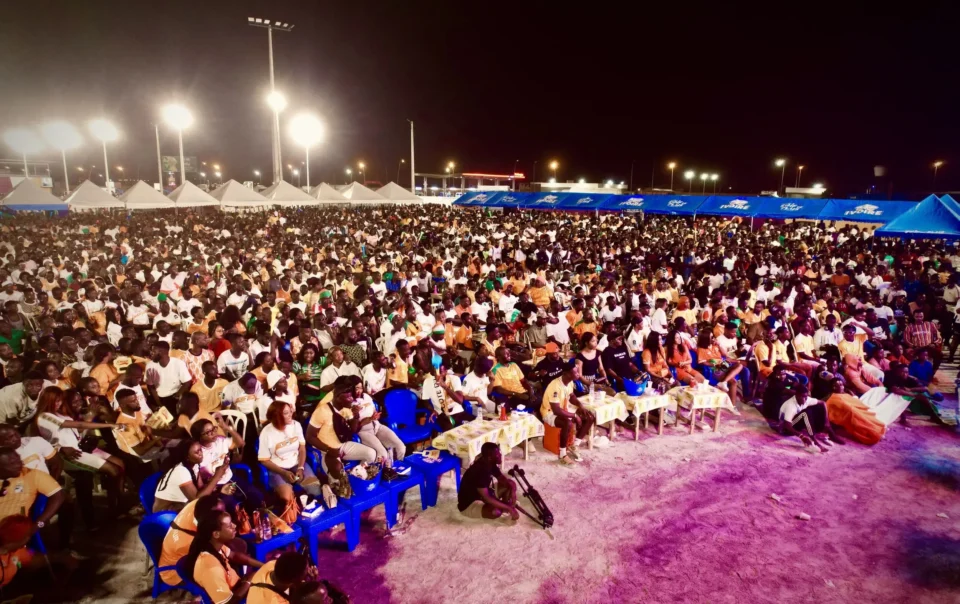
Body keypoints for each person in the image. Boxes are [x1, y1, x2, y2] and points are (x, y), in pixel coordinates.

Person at [34, 387, 125, 514]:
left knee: (120, 463)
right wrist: (109, 425)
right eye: (55, 401)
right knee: (112, 470)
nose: (58, 403)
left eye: (60, 400)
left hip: (81, 447)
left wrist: (91, 416)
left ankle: (117, 502)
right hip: (70, 454)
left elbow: (78, 430)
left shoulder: (60, 414)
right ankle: (117, 506)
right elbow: (79, 425)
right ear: (47, 400)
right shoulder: (44, 416)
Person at [0, 447, 67, 588]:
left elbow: (58, 495)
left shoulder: (32, 475)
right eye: (12, 464)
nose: (20, 465)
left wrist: (38, 525)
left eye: (18, 460)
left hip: (11, 532)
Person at [258, 401, 330, 516]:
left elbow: (302, 448)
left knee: (315, 489)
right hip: (277, 469)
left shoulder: (296, 425)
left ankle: (320, 517)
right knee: (287, 499)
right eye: (286, 413)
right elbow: (264, 460)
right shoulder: (266, 433)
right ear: (278, 416)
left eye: (290, 410)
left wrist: (301, 467)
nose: (291, 413)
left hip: (296, 464)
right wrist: (284, 472)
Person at [184, 510, 263, 604]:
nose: (234, 526)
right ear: (216, 534)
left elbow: (234, 555)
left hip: (238, 586)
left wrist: (262, 565)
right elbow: (228, 602)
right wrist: (249, 582)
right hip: (234, 598)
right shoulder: (210, 567)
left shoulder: (214, 546)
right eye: (229, 526)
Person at [540, 361, 595, 465]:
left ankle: (575, 445)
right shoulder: (555, 386)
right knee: (567, 423)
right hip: (549, 412)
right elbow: (556, 410)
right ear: (567, 374)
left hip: (563, 407)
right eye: (576, 372)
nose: (579, 374)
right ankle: (562, 454)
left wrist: (580, 405)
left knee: (589, 417)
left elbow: (571, 396)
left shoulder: (569, 381)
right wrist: (574, 415)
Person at [346, 376, 406, 468]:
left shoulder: (366, 397)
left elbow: (373, 410)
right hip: (363, 431)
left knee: (400, 447)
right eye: (357, 388)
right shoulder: (348, 403)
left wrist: (375, 415)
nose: (360, 391)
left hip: (376, 426)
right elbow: (355, 428)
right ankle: (376, 474)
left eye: (361, 388)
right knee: (383, 454)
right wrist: (368, 418)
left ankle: (395, 469)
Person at [153, 439, 227, 512]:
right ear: (187, 457)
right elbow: (196, 500)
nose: (200, 453)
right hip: (165, 514)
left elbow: (200, 488)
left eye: (200, 449)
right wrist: (217, 476)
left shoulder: (194, 465)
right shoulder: (181, 471)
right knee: (213, 508)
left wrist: (219, 490)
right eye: (196, 452)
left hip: (181, 504)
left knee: (218, 503)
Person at [457, 442, 519, 521]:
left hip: (482, 496)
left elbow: (504, 480)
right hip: (470, 504)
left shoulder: (489, 462)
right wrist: (509, 508)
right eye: (497, 454)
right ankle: (505, 507)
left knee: (509, 484)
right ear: (490, 457)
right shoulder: (481, 471)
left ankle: (505, 506)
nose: (500, 455)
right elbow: (487, 498)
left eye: (499, 452)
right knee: (495, 512)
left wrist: (513, 494)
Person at [776, 384, 843, 453]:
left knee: (817, 408)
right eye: (802, 397)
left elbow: (823, 403)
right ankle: (814, 441)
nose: (805, 399)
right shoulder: (790, 405)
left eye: (806, 396)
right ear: (796, 395)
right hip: (785, 429)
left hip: (795, 424)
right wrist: (801, 436)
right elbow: (787, 425)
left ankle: (824, 432)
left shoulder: (807, 399)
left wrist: (826, 421)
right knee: (805, 414)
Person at [246, 551, 315, 604]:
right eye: (306, 573)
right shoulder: (274, 601)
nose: (309, 571)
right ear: (294, 581)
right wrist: (312, 582)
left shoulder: (271, 565)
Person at [146, 341, 194, 415]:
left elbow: (187, 381)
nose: (151, 353)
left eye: (153, 351)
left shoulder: (178, 363)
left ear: (161, 352)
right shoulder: (150, 366)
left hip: (174, 396)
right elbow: (151, 387)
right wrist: (160, 405)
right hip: (158, 398)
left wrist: (177, 395)